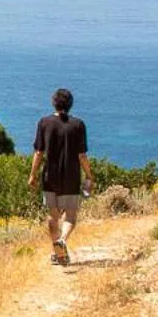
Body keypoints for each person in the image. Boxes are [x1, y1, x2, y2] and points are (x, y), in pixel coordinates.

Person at [29, 87, 90, 266]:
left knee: (53, 215)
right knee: (70, 216)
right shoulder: (78, 125)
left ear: (53, 103)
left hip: (50, 177)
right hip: (71, 176)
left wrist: (32, 174)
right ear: (70, 104)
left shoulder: (44, 122)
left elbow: (39, 152)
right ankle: (62, 241)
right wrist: (89, 175)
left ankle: (56, 251)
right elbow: (82, 156)